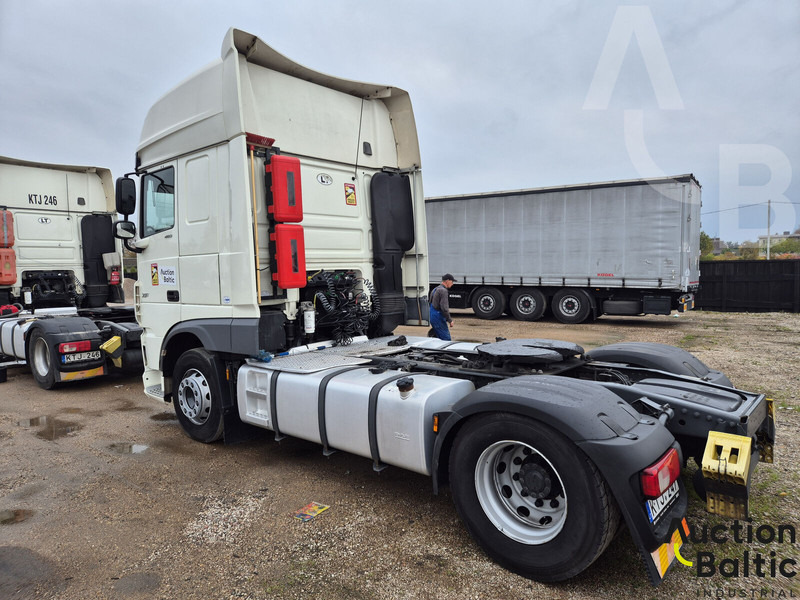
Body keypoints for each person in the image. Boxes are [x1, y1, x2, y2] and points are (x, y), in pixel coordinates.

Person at [429, 274, 455, 340]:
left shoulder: (435, 289)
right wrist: (450, 320)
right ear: (447, 281)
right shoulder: (443, 291)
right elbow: (444, 308)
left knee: (437, 338)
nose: (452, 284)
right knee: (446, 340)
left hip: (432, 316)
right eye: (452, 282)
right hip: (438, 318)